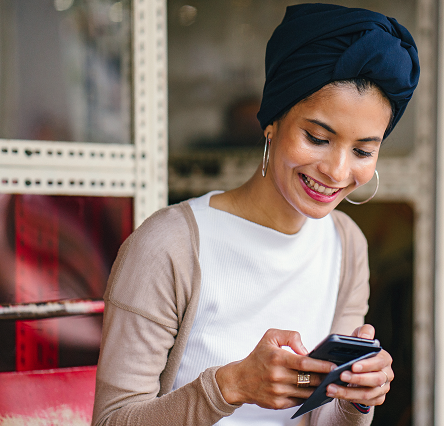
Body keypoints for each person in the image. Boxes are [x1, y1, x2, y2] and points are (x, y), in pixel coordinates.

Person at [91, 3, 419, 426]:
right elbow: (112, 421)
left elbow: (322, 420)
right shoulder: (169, 246)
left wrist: (355, 400)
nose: (338, 171)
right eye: (317, 137)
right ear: (272, 124)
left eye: (362, 151)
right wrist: (231, 386)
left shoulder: (346, 244)